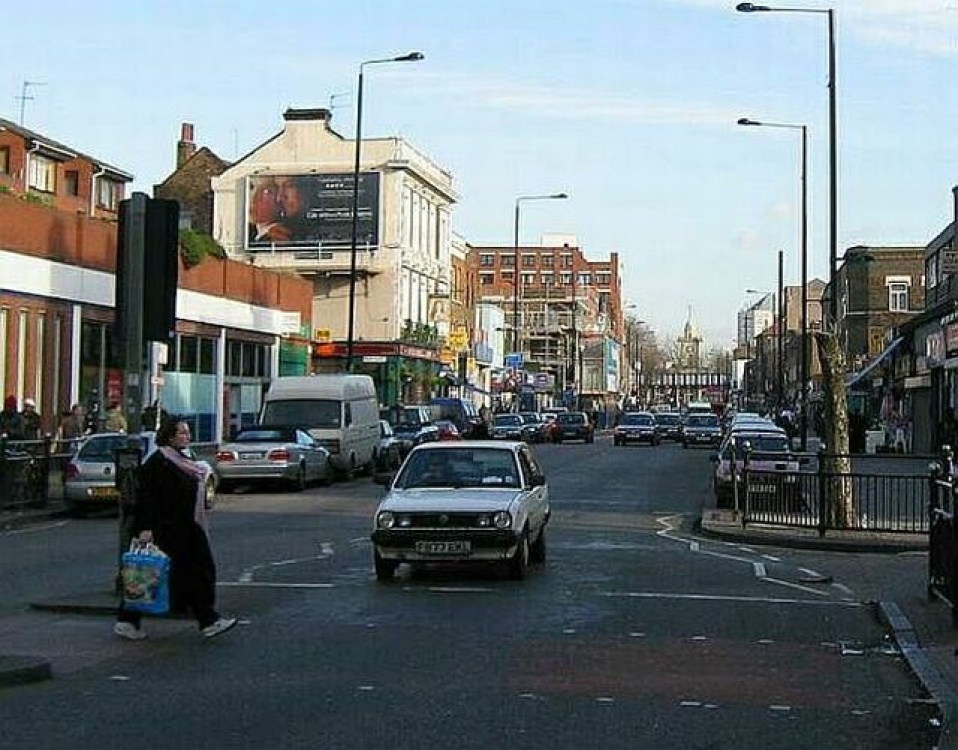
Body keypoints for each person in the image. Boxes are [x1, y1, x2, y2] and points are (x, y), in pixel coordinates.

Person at [114, 417, 236, 641]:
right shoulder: (159, 462)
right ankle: (208, 620)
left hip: (185, 527)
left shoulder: (182, 459)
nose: (187, 436)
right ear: (170, 436)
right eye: (182, 433)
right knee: (181, 574)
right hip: (167, 529)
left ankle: (128, 619)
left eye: (188, 433)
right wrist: (145, 527)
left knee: (169, 575)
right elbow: (147, 497)